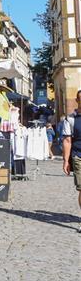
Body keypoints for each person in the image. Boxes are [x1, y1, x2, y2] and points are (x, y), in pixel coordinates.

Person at [60, 91, 81, 232]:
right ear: (77, 100)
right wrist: (66, 161)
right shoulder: (71, 119)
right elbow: (67, 140)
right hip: (78, 156)